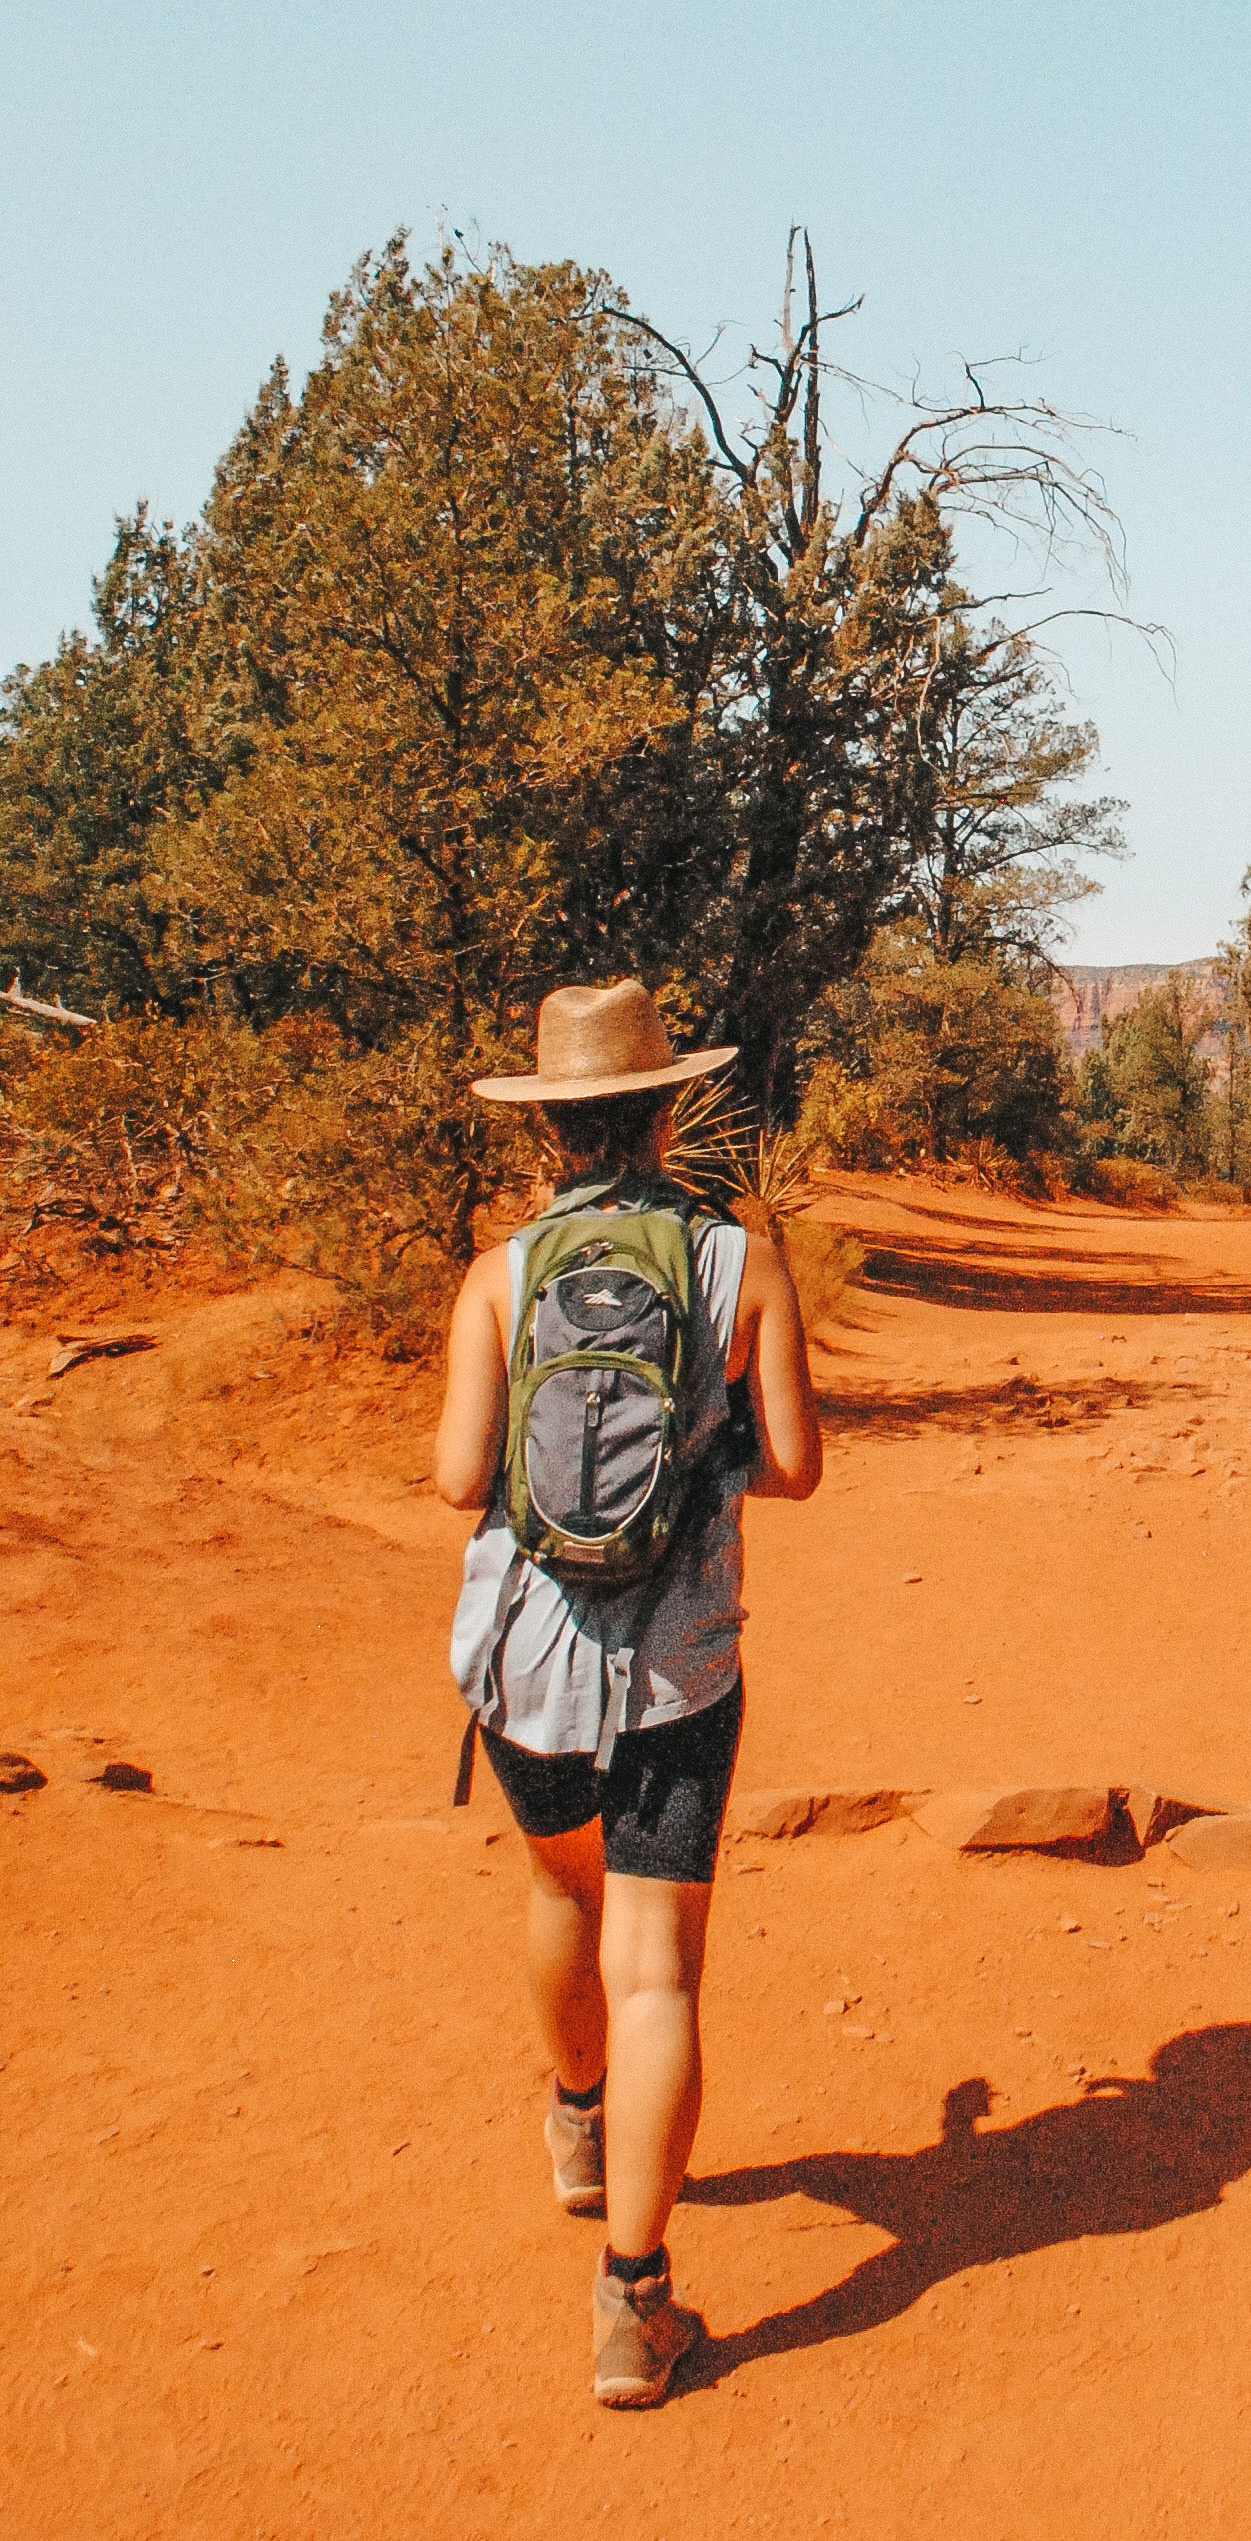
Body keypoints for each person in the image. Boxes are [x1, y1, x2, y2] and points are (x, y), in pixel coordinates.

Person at [434, 978, 823, 2408]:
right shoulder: (740, 1260)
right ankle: (632, 2302)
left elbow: (460, 1477)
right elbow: (795, 1467)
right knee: (654, 1963)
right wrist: (701, 1464)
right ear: (669, 1110)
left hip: (523, 1660)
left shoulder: (500, 1271)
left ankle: (578, 2125)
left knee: (560, 1894)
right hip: (678, 1667)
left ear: (549, 1128)